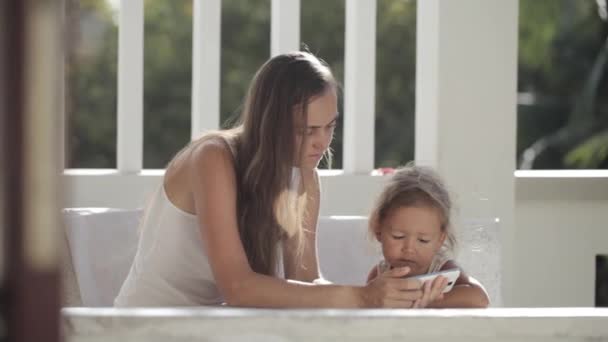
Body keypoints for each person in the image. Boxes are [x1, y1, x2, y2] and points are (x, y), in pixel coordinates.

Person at [115, 51, 425, 308]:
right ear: (270, 124)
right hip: (144, 327)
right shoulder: (213, 158)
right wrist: (361, 297)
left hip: (211, 327)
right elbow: (238, 288)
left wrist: (387, 295)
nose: (323, 142)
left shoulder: (304, 178)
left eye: (329, 126)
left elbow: (306, 281)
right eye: (306, 130)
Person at [366, 165, 490, 308]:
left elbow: (479, 298)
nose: (409, 249)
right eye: (398, 236)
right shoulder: (381, 274)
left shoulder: (442, 270)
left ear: (440, 240)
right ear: (378, 231)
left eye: (423, 240)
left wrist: (427, 302)